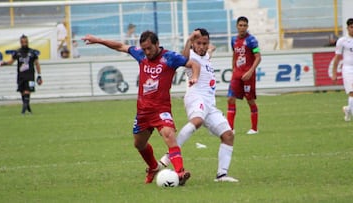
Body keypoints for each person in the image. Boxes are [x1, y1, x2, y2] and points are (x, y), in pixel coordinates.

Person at [82, 31, 200, 185]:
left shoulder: (169, 57)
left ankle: (180, 172)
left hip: (161, 109)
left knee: (169, 135)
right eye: (144, 49)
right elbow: (120, 46)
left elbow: (193, 64)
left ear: (157, 44)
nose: (147, 52)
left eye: (149, 48)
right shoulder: (141, 55)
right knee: (139, 144)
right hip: (143, 111)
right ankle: (153, 167)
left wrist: (194, 76)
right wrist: (97, 40)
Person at [159, 28, 238, 182]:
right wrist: (190, 39)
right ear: (193, 44)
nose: (201, 46)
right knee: (197, 121)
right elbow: (184, 56)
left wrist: (207, 44)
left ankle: (221, 175)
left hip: (210, 104)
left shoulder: (206, 55)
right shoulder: (191, 55)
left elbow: (210, 48)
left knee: (228, 135)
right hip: (195, 97)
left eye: (204, 43)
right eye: (198, 43)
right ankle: (170, 155)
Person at [227, 16, 262, 135]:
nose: (242, 28)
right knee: (230, 98)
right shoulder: (234, 40)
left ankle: (254, 129)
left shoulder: (252, 40)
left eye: (244, 25)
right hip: (237, 74)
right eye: (240, 25)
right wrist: (233, 69)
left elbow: (258, 57)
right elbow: (235, 55)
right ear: (237, 26)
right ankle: (230, 128)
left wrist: (251, 71)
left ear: (247, 27)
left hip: (248, 75)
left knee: (250, 100)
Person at [0, 35, 43, 114]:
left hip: (30, 76)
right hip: (21, 76)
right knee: (22, 92)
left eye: (25, 42)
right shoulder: (17, 52)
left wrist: (39, 75)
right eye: (22, 42)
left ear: (28, 42)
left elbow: (37, 64)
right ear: (20, 43)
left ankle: (23, 112)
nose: (24, 44)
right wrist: (5, 63)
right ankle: (29, 110)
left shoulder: (33, 52)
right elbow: (11, 62)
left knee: (28, 91)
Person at [332, 18, 353, 121]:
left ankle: (347, 109)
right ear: (347, 28)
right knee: (352, 92)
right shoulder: (342, 41)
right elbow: (337, 58)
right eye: (351, 27)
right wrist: (334, 73)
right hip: (348, 69)